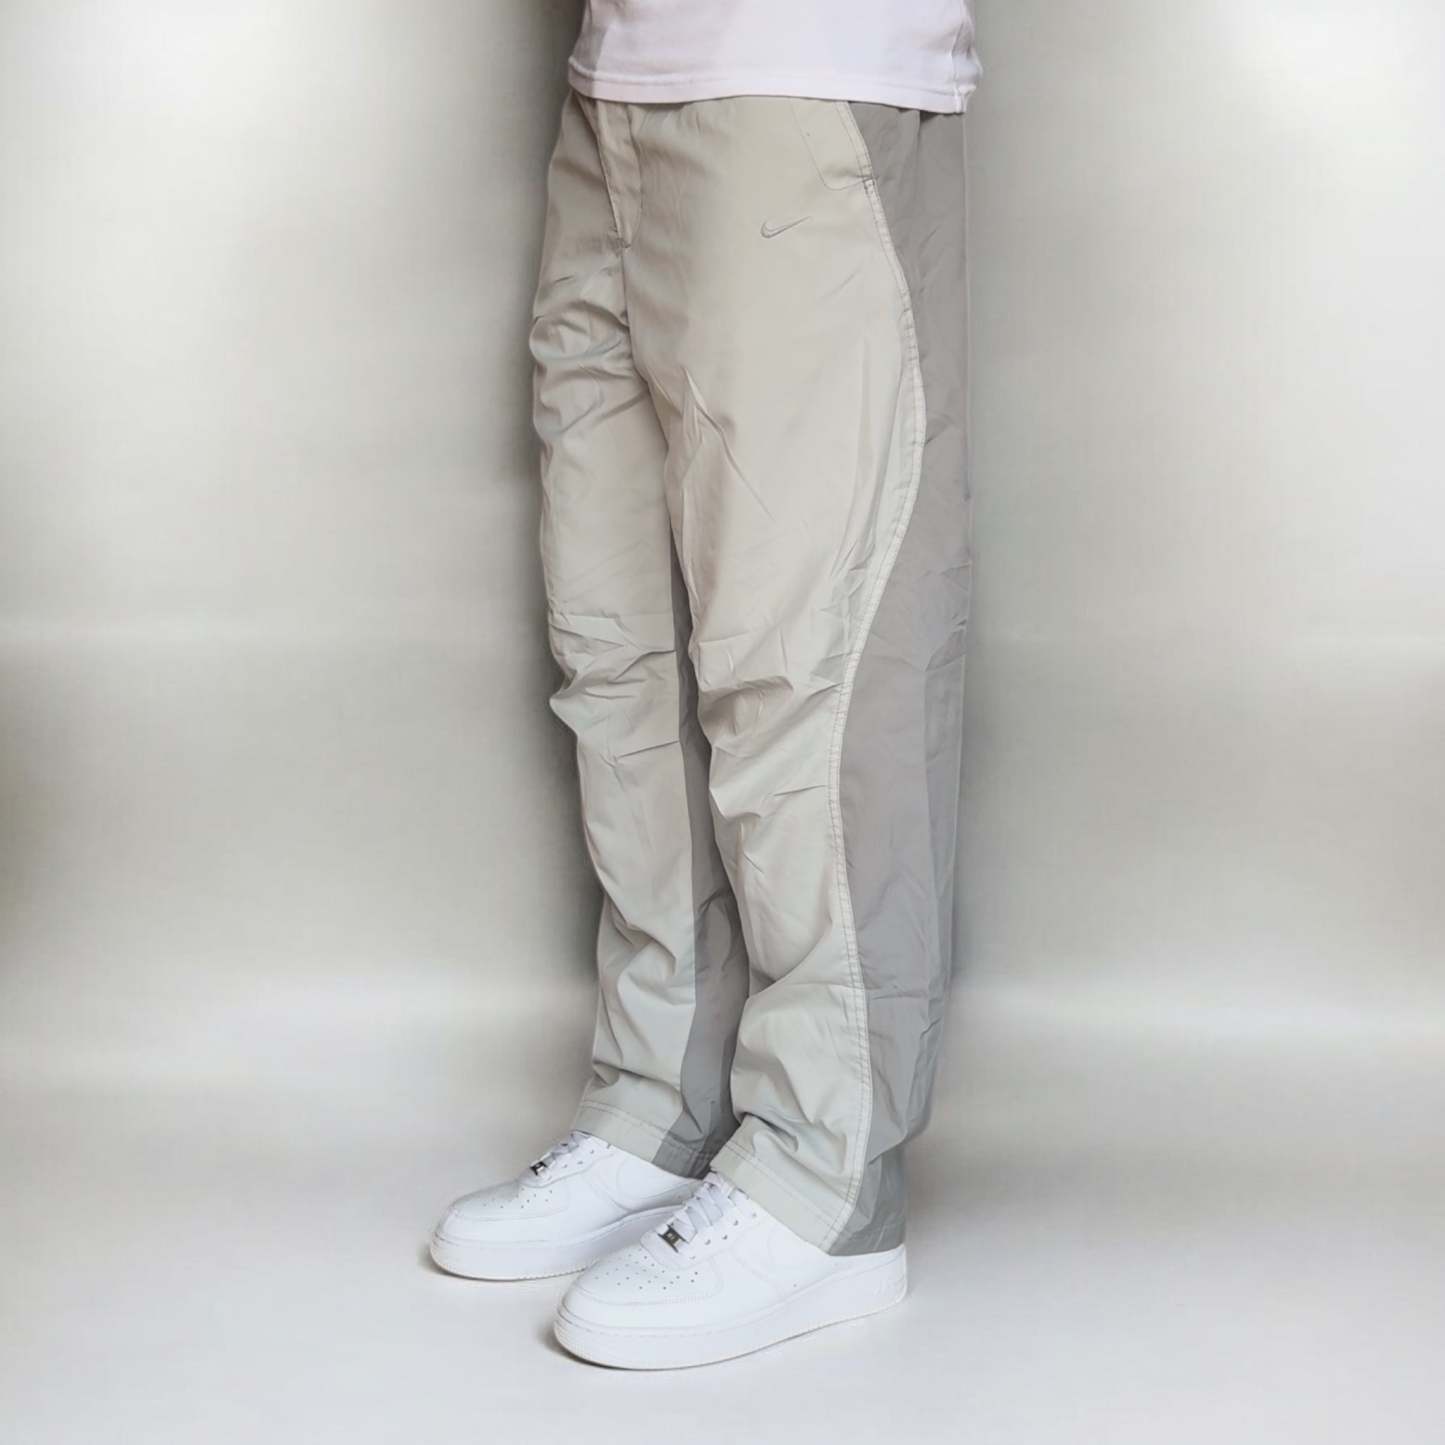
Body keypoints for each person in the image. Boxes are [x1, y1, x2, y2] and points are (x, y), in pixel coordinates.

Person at [430, 0, 981, 1369]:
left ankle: (820, 1173)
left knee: (807, 659)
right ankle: (659, 1102)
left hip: (800, 73)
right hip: (614, 81)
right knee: (616, 648)